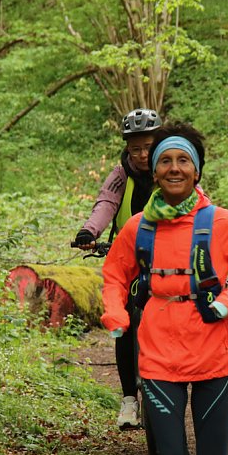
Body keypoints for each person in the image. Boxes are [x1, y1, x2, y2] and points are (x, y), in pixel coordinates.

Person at [100, 124, 228, 455]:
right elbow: (114, 275)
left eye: (183, 161)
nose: (174, 169)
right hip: (158, 352)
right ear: (153, 172)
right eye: (165, 161)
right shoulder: (137, 226)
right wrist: (116, 311)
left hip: (217, 350)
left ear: (196, 171)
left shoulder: (222, 222)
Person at [74, 108, 161, 429]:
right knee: (124, 323)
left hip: (168, 257)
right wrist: (89, 232)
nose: (141, 154)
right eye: (134, 148)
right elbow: (106, 204)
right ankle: (128, 400)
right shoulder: (121, 173)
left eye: (148, 146)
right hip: (127, 257)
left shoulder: (170, 165)